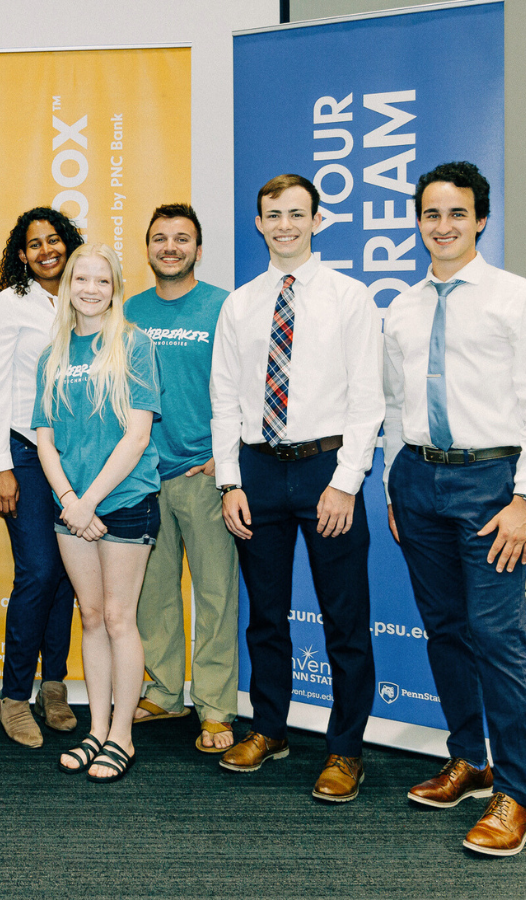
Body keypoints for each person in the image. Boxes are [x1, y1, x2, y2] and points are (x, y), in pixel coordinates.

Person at [212, 174, 382, 802]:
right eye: (272, 214)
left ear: (317, 220)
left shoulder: (350, 297)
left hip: (326, 471)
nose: (283, 224)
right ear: (258, 222)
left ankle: (345, 750)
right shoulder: (241, 303)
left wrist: (344, 483)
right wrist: (230, 481)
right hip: (257, 471)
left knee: (345, 619)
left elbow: (368, 400)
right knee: (265, 615)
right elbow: (223, 400)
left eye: (295, 214)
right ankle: (270, 729)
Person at [384, 161, 526, 856]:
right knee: (444, 630)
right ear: (418, 222)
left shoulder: (513, 299)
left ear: (481, 221)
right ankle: (470, 759)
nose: (443, 226)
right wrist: (390, 484)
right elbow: (390, 404)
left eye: (457, 215)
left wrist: (525, 499)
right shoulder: (403, 308)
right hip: (418, 483)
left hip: (493, 485)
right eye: (431, 214)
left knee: (500, 640)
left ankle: (518, 793)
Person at [35, 243, 160, 783]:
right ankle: (96, 728)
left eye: (101, 281)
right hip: (73, 506)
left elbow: (137, 436)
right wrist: (69, 500)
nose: (90, 288)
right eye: (80, 279)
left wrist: (89, 502)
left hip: (125, 500)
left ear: (115, 288)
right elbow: (44, 440)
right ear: (68, 287)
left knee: (117, 618)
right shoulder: (53, 353)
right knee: (88, 618)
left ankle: (122, 737)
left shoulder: (133, 344)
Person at [126, 204, 239, 753]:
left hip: (205, 473)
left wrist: (226, 457)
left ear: (198, 248)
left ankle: (216, 706)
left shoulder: (224, 306)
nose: (170, 247)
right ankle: (165, 690)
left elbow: (249, 385)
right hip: (144, 474)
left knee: (215, 595)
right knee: (153, 593)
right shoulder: (129, 311)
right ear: (147, 248)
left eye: (182, 238)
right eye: (160, 238)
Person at [0, 207, 83, 747]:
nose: (46, 250)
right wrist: (0, 466)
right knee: (39, 572)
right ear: (21, 254)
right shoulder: (8, 305)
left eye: (54, 240)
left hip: (78, 457)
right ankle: (14, 695)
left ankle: (56, 685)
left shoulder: (87, 295)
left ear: (68, 245)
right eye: (34, 244)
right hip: (24, 452)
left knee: (68, 574)